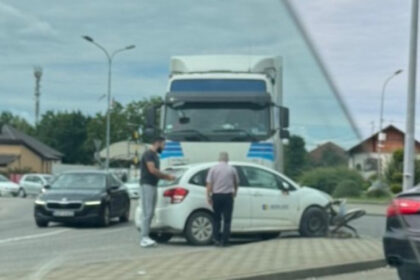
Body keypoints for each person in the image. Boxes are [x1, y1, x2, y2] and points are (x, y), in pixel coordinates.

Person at [139, 136, 175, 248]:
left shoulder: (155, 156)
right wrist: (166, 177)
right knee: (147, 212)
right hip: (147, 185)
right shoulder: (148, 154)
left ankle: (146, 236)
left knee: (151, 212)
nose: (164, 148)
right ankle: (144, 238)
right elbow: (152, 170)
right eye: (163, 145)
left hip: (153, 185)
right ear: (157, 143)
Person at [206, 152, 239, 247]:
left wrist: (208, 196)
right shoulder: (232, 169)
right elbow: (236, 182)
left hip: (216, 196)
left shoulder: (213, 169)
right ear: (227, 159)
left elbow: (209, 184)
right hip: (228, 196)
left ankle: (216, 238)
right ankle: (225, 240)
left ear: (219, 159)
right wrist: (235, 192)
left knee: (216, 218)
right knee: (227, 219)